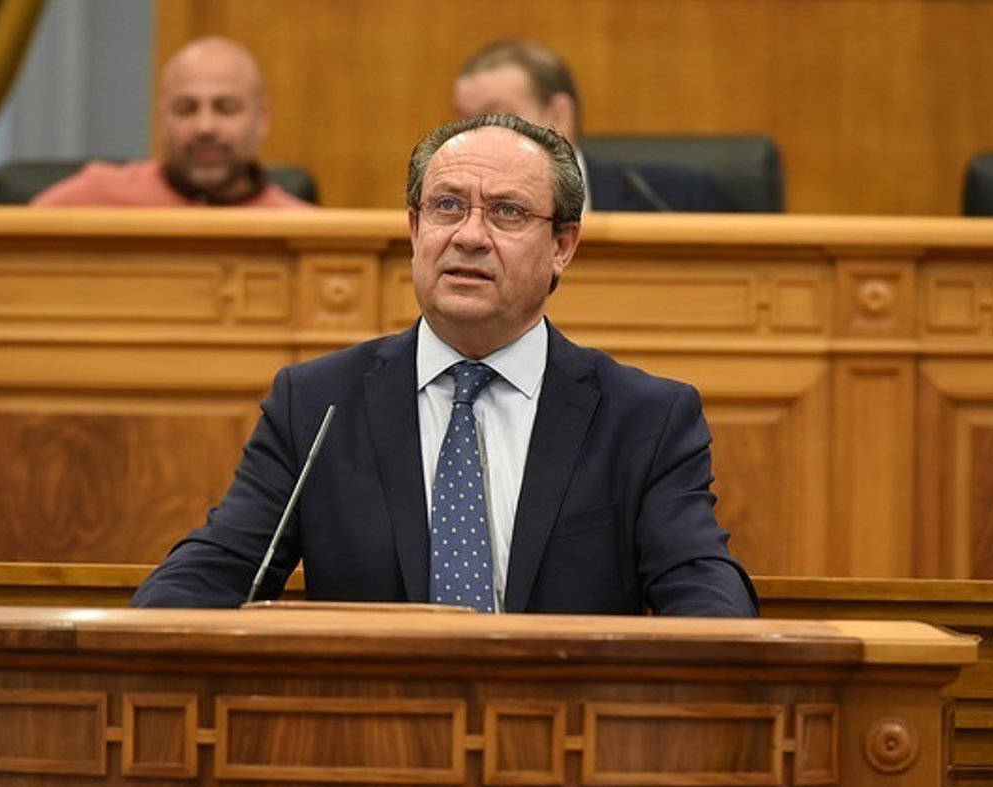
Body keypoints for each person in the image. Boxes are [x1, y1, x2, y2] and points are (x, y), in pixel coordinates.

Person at [132, 113, 757, 616]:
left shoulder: (643, 418)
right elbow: (211, 573)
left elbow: (706, 594)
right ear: (415, 229)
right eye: (447, 206)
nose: (470, 236)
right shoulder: (317, 403)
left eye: (508, 212)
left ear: (562, 246)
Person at [32, 37, 311, 208]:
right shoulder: (93, 198)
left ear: (262, 118)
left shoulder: (298, 227)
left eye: (225, 108)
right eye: (186, 109)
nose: (205, 127)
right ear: (162, 118)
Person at [454, 39, 726, 213]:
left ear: (559, 116)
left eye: (497, 118)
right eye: (466, 123)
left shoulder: (674, 199)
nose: (478, 136)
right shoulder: (456, 219)